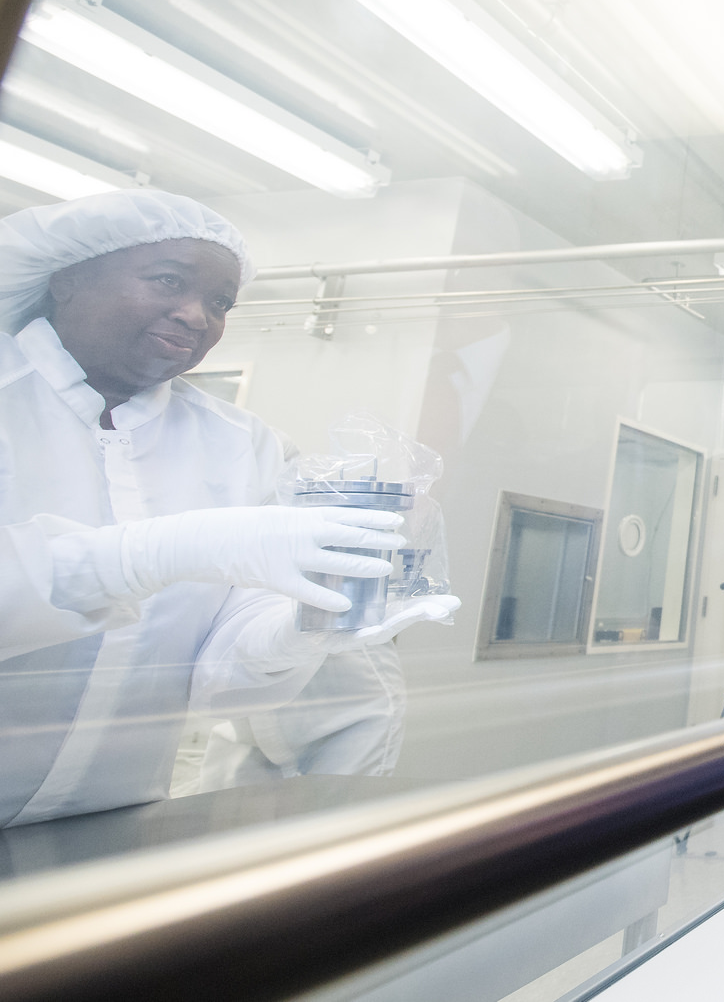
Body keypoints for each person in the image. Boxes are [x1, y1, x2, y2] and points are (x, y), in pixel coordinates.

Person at [0, 191, 456, 825]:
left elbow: (213, 685)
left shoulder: (242, 446)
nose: (196, 316)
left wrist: (298, 631)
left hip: (112, 826)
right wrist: (148, 554)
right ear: (68, 279)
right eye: (168, 281)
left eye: (220, 304)